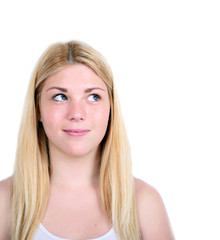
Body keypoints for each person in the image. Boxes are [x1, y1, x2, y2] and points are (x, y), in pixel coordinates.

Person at [0, 41, 174, 240]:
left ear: (111, 108)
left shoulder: (144, 203)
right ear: (37, 109)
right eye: (59, 97)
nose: (77, 114)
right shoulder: (5, 201)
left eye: (93, 97)